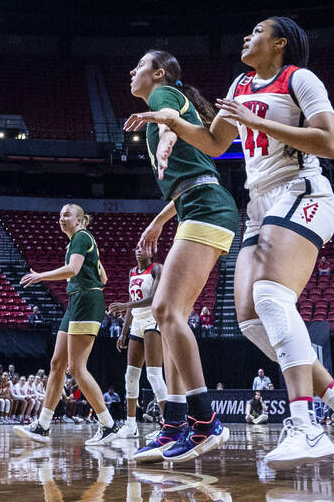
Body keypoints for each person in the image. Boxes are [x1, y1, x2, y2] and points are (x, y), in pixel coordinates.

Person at [127, 20, 334, 471]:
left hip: (303, 191)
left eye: (258, 31)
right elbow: (214, 141)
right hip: (259, 203)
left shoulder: (299, 78)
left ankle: (306, 423)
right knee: (250, 321)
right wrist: (173, 121)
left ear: (279, 43)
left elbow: (331, 143)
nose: (246, 36)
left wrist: (257, 120)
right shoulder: (240, 83)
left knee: (270, 296)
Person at [121, 52, 238, 463]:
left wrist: (167, 133)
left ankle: (206, 422)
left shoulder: (162, 95)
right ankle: (173, 426)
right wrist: (157, 222)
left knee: (166, 310)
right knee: (169, 316)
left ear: (158, 73)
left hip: (207, 206)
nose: (131, 71)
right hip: (197, 203)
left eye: (138, 65)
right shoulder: (165, 102)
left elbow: (169, 118)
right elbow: (194, 173)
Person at [16, 204, 122, 446]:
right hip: (76, 301)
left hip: (86, 300)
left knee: (76, 368)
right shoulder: (80, 240)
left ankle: (109, 424)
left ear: (80, 220)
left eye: (66, 214)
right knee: (57, 364)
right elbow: (103, 278)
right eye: (60, 214)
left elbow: (74, 269)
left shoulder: (81, 237)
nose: (61, 218)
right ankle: (42, 425)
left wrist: (41, 275)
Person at [107, 245, 166, 441]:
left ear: (152, 252)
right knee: (130, 376)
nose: (138, 250)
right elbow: (133, 303)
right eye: (137, 247)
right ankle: (131, 425)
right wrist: (123, 332)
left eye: (144, 247)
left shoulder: (157, 268)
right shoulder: (132, 272)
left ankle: (168, 424)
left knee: (154, 375)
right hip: (136, 323)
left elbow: (153, 299)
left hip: (152, 319)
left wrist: (125, 305)